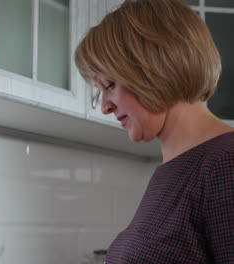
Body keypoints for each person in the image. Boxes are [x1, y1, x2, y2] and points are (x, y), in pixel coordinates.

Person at [74, 0, 234, 263]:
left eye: (110, 84)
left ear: (155, 69)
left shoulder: (225, 164)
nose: (104, 106)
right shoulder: (173, 171)